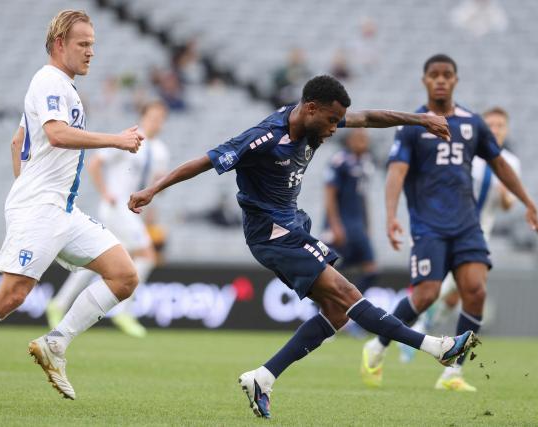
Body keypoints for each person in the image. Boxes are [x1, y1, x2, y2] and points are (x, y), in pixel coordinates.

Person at [128, 75, 479, 419]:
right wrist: (152, 190)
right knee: (346, 292)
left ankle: (262, 378)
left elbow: (369, 118)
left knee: (338, 311)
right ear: (310, 109)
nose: (334, 129)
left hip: (292, 224)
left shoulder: (315, 121)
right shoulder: (263, 138)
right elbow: (203, 162)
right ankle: (436, 347)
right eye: (330, 121)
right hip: (272, 232)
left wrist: (420, 120)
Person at [0, 10, 144, 400]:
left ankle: (56, 343)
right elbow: (57, 135)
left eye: (93, 44)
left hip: (61, 209)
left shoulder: (63, 86)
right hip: (42, 208)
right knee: (11, 295)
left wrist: (29, 186)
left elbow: (18, 141)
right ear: (60, 44)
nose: (91, 52)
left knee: (124, 275)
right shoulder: (49, 80)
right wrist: (115, 139)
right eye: (83, 44)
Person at [359, 54, 538, 392]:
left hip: (467, 225)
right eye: (434, 75)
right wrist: (390, 216)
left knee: (475, 292)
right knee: (426, 295)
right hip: (428, 226)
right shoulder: (413, 125)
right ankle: (378, 346)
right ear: (425, 81)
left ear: (456, 80)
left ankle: (453, 372)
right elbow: (396, 172)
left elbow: (500, 164)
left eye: (447, 75)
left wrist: (528, 202)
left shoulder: (473, 123)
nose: (441, 80)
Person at [397, 107, 521, 379]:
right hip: (453, 234)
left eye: (501, 124)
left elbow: (508, 205)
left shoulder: (510, 162)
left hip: (479, 236)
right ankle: (407, 333)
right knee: (442, 292)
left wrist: (506, 194)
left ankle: (426, 332)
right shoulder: (467, 157)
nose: (496, 129)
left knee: (455, 298)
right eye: (492, 125)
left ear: (507, 129)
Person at [46, 100, 170, 338]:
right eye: (153, 116)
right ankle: (124, 311)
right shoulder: (130, 138)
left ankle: (59, 304)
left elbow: (156, 187)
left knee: (100, 259)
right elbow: (95, 164)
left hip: (132, 210)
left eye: (161, 117)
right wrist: (106, 194)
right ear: (143, 116)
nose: (157, 122)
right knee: (147, 255)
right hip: (116, 207)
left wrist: (158, 190)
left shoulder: (161, 150)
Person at [323, 128, 378, 297]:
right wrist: (335, 225)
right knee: (328, 270)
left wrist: (367, 225)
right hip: (341, 225)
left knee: (372, 271)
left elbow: (363, 198)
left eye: (365, 138)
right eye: (359, 137)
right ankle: (319, 306)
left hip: (358, 226)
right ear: (349, 140)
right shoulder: (340, 161)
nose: (363, 141)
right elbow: (329, 193)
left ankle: (347, 305)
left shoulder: (366, 163)